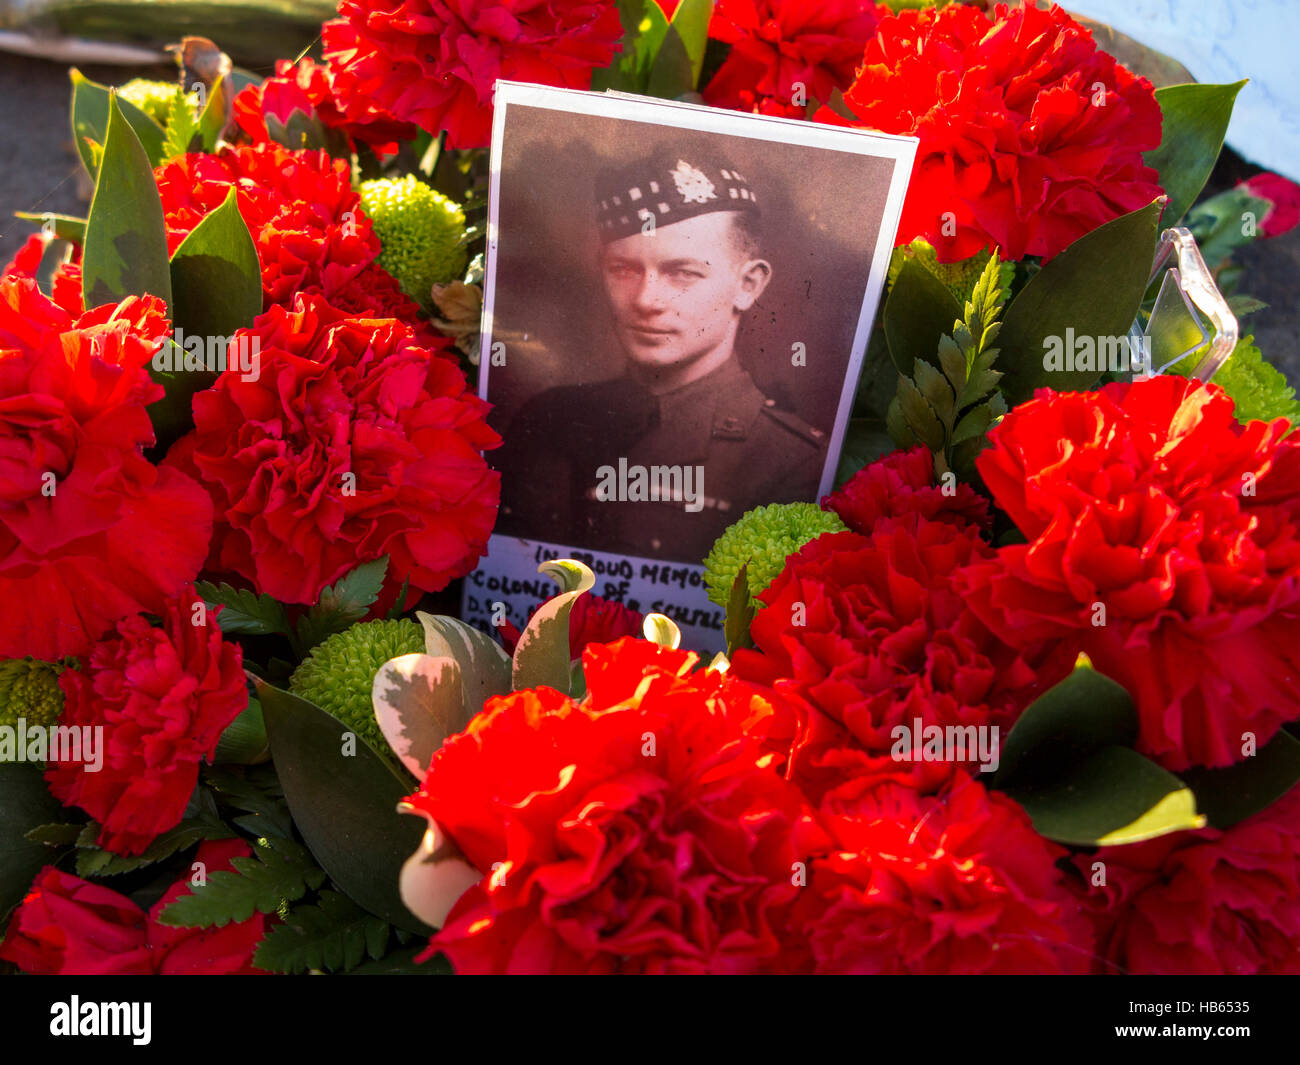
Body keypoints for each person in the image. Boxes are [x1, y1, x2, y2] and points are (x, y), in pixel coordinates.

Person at [493, 150, 829, 563]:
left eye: (683, 273)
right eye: (624, 269)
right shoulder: (547, 420)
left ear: (748, 285)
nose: (646, 299)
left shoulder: (790, 460)